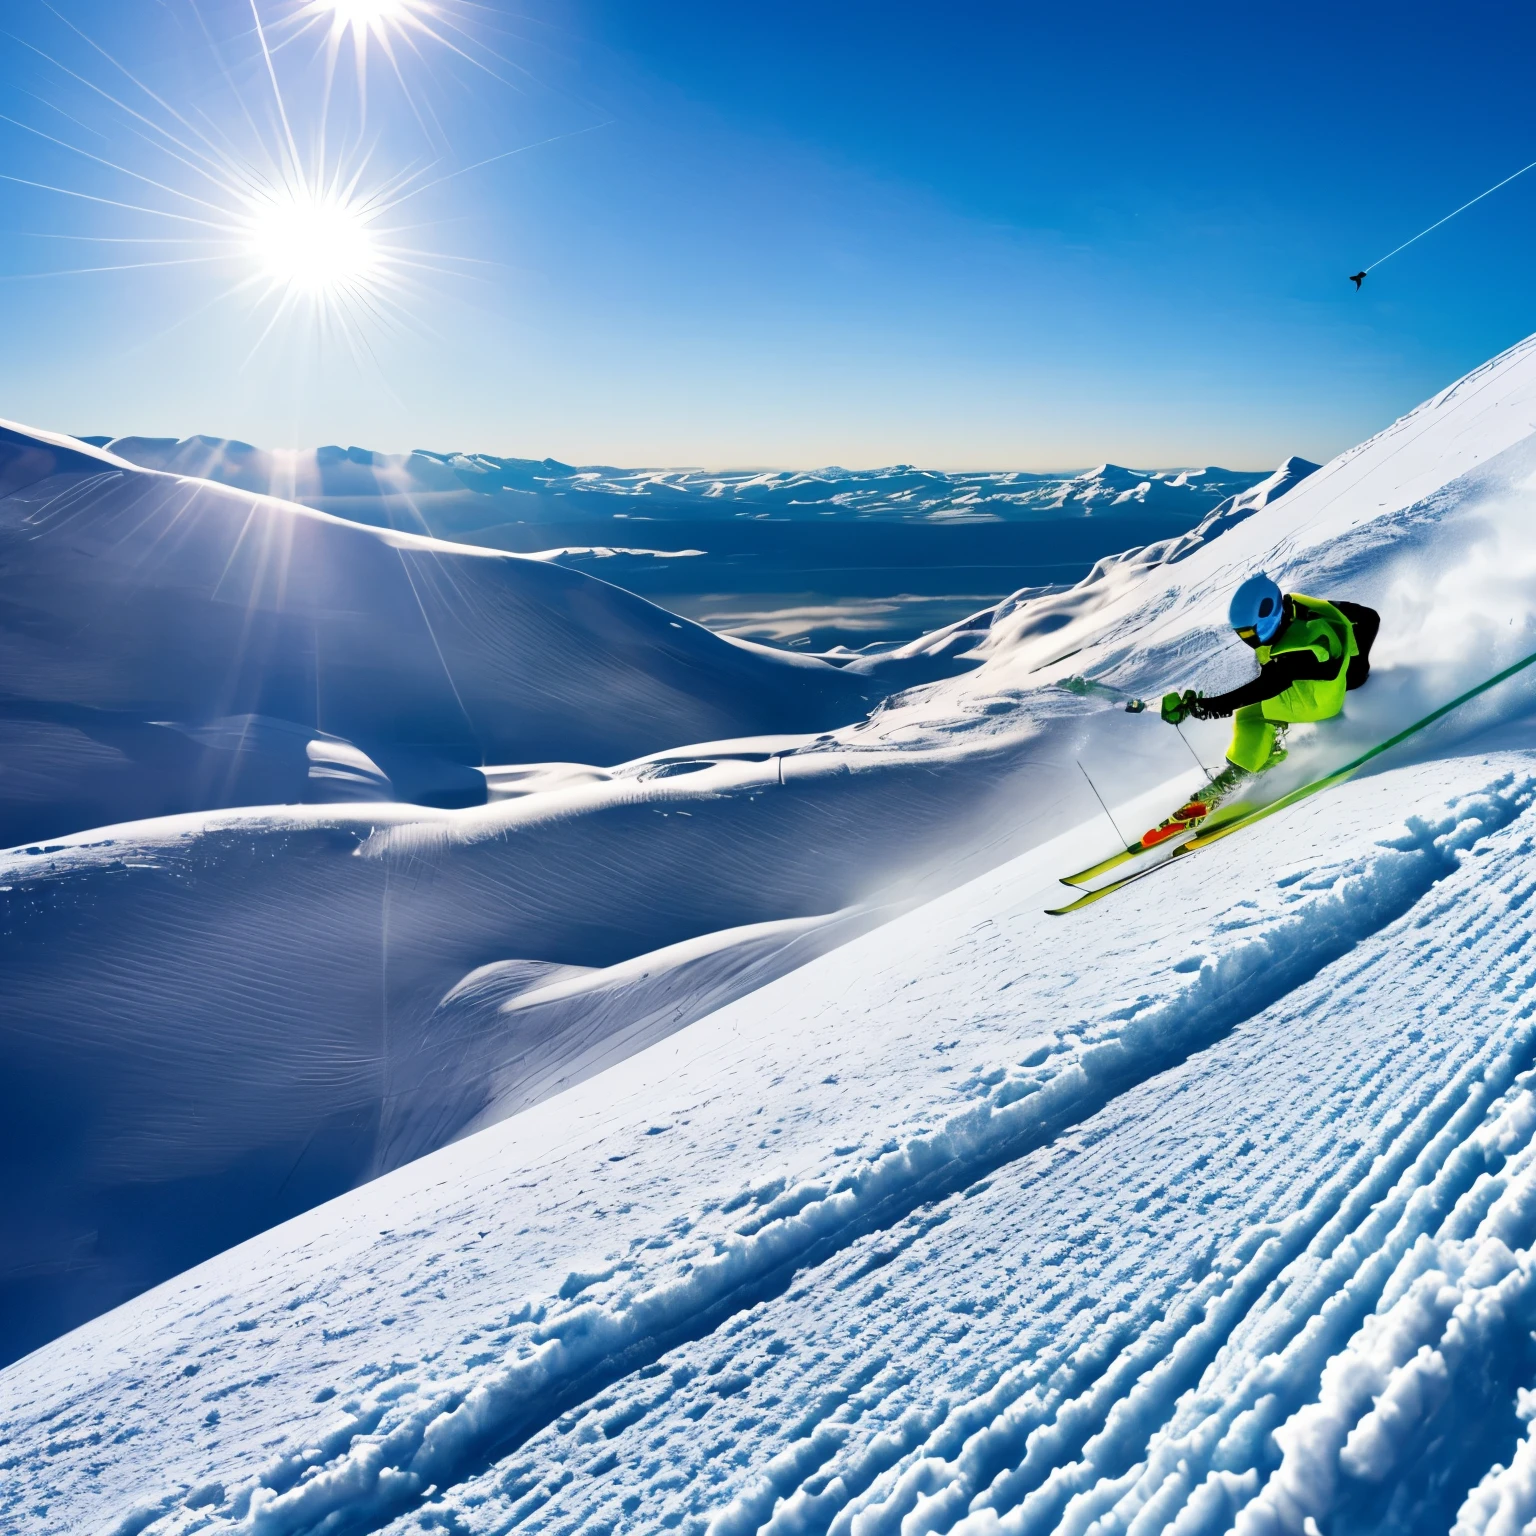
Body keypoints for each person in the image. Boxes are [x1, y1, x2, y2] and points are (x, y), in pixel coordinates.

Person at [1143, 574, 1380, 846]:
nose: (1248, 640)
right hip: (1320, 690)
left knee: (1251, 714)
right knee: (1259, 709)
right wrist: (1357, 671)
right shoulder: (1299, 606)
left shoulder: (1299, 644)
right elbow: (1369, 617)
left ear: (1268, 617)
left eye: (1250, 633)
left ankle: (1228, 784)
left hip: (1318, 701)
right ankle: (1269, 758)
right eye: (1242, 634)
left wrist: (1216, 706)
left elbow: (1270, 685)